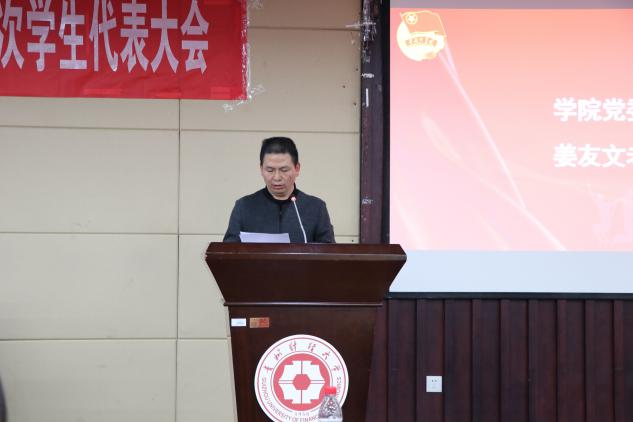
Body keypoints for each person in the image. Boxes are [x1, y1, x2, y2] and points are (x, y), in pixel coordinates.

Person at [223, 137, 335, 243]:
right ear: (261, 169)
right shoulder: (244, 207)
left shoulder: (316, 208)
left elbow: (329, 252)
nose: (277, 177)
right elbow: (228, 251)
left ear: (297, 169)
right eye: (270, 170)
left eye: (284, 170)